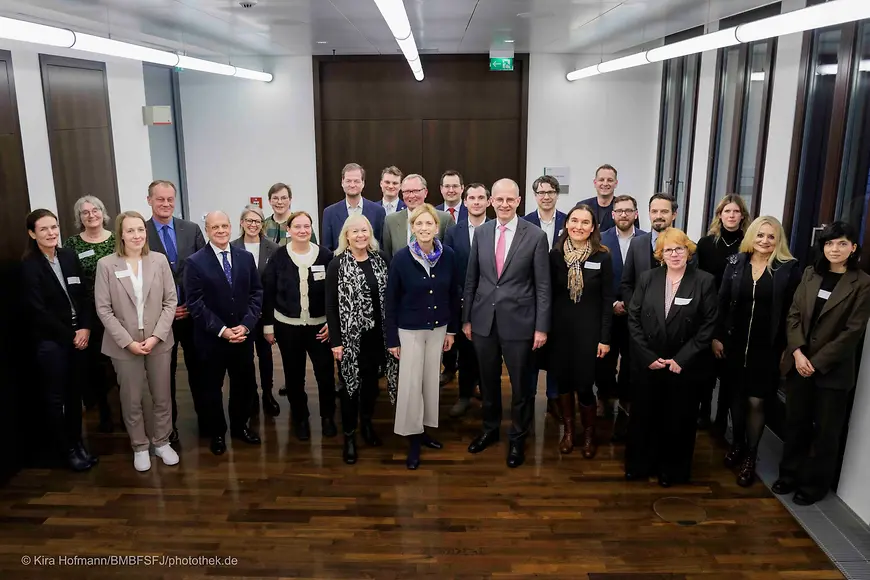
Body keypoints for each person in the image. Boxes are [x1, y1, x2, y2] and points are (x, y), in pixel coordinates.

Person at [773, 222, 870, 505]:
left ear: (853, 248)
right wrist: (799, 353)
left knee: (826, 432)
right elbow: (793, 315)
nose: (835, 249)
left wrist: (815, 361)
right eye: (829, 244)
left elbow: (853, 331)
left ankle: (813, 486)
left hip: (832, 371)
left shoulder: (862, 283)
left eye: (841, 243)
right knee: (796, 423)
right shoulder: (810, 274)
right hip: (799, 363)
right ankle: (788, 475)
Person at [463, 178, 551, 468]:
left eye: (509, 200)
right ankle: (489, 430)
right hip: (484, 322)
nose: (503, 204)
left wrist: (541, 327)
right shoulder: (483, 232)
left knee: (521, 387)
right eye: (498, 199)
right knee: (487, 382)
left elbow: (542, 286)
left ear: (518, 201)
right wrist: (467, 319)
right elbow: (472, 279)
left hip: (521, 323)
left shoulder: (536, 236)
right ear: (491, 201)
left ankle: (517, 438)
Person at [625, 228, 717, 487]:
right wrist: (647, 356)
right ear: (660, 254)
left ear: (688, 251)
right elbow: (634, 318)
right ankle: (640, 465)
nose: (674, 254)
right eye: (668, 249)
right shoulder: (647, 278)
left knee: (678, 419)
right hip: (649, 362)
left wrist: (682, 359)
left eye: (680, 248)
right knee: (644, 415)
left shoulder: (704, 281)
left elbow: (708, 325)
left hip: (683, 365)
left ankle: (672, 470)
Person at [716, 216, 801, 487]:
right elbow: (721, 302)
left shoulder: (788, 270)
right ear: (751, 236)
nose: (765, 241)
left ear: (779, 241)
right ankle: (738, 443)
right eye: (760, 235)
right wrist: (717, 337)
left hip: (767, 347)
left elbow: (793, 313)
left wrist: (788, 348)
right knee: (736, 399)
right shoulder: (735, 263)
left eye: (771, 237)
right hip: (734, 343)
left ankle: (751, 455)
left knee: (757, 401)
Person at [94, 211, 179, 472]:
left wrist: (156, 336)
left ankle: (162, 442)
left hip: (158, 341)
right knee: (131, 399)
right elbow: (103, 309)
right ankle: (140, 446)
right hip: (124, 344)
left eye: (140, 230)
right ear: (120, 234)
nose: (137, 235)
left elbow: (170, 301)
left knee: (162, 396)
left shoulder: (159, 261)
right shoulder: (107, 265)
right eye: (130, 230)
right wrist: (128, 342)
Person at [22, 209, 98, 472]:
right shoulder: (30, 266)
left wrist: (86, 328)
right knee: (57, 399)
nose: (51, 233)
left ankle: (78, 444)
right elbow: (38, 312)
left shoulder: (68, 255)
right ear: (32, 234)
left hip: (79, 335)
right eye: (43, 229)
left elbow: (83, 296)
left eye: (54, 227)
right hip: (52, 342)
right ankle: (66, 449)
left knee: (75, 394)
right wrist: (71, 336)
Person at [386, 204, 461, 469]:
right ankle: (413, 440)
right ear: (412, 227)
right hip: (410, 330)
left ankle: (425, 431)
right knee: (411, 385)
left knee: (430, 382)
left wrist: (452, 329)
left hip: (439, 328)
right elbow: (391, 301)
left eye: (429, 224)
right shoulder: (401, 258)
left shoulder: (449, 255)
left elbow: (454, 294)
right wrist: (392, 339)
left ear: (436, 227)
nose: (424, 228)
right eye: (419, 224)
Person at [184, 211, 263, 456]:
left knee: (243, 385)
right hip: (211, 340)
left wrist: (247, 325)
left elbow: (256, 293)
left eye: (224, 226)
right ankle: (218, 433)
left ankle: (240, 427)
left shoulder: (245, 257)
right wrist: (222, 330)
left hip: (242, 336)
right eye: (215, 227)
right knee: (211, 388)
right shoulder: (195, 262)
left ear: (231, 227)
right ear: (206, 230)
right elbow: (195, 303)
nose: (220, 230)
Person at [326, 214, 398, 464]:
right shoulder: (337, 264)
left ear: (370, 233)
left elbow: (390, 298)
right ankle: (349, 437)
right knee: (349, 388)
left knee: (369, 386)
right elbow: (331, 307)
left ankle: (367, 425)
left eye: (364, 230)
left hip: (377, 337)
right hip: (350, 340)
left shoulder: (381, 260)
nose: (360, 235)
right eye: (355, 231)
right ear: (346, 235)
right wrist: (336, 342)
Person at [262, 211, 338, 441]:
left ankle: (327, 417)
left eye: (307, 226)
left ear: (312, 229)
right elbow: (269, 292)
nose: (303, 230)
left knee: (325, 375)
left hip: (319, 328)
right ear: (289, 230)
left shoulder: (326, 256)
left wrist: (333, 326)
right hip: (288, 327)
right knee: (294, 376)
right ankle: (301, 417)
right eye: (297, 226)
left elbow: (334, 295)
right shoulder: (278, 257)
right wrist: (268, 325)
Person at [549, 204, 613, 458]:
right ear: (566, 224)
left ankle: (588, 435)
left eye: (585, 222)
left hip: (590, 334)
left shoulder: (602, 257)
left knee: (585, 386)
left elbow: (608, 301)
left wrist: (605, 338)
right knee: (563, 384)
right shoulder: (554, 255)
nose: (578, 226)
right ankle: (568, 432)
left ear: (593, 228)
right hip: (560, 332)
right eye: (574, 221)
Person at [145, 180, 207, 443]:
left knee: (199, 370)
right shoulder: (140, 232)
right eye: (160, 199)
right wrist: (166, 309)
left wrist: (192, 305)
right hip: (159, 319)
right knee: (163, 376)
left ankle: (206, 420)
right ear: (149, 200)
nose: (166, 204)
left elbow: (204, 269)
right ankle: (168, 428)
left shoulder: (190, 229)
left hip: (191, 316)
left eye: (170, 199)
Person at [618, 193, 678, 438]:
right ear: (647, 214)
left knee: (665, 382)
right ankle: (629, 422)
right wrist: (636, 313)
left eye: (664, 211)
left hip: (672, 327)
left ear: (674, 214)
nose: (659, 216)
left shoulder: (684, 245)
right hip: (640, 327)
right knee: (635, 374)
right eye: (654, 211)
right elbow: (626, 283)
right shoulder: (638, 244)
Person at [63, 195, 118, 433]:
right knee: (97, 366)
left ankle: (124, 411)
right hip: (89, 313)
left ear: (102, 212)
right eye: (85, 212)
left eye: (95, 210)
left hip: (118, 311)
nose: (91, 215)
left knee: (120, 364)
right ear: (79, 218)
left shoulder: (117, 240)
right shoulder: (71, 245)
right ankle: (104, 412)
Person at [695, 194, 749, 432]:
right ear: (719, 215)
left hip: (735, 315)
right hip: (707, 311)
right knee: (705, 371)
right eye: (727, 211)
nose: (731, 215)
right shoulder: (706, 243)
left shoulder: (749, 244)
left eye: (736, 212)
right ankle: (704, 413)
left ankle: (722, 419)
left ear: (742, 216)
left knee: (728, 372)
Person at [599, 195, 646, 439]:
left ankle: (626, 401)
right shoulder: (602, 239)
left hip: (636, 313)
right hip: (607, 309)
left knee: (631, 359)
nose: (624, 215)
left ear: (636, 214)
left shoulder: (647, 240)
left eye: (629, 210)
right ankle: (604, 397)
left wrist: (629, 304)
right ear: (613, 214)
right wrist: (613, 303)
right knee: (605, 359)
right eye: (619, 211)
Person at [522, 175, 567, 421]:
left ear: (557, 194)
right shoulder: (525, 222)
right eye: (541, 192)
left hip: (560, 294)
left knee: (555, 350)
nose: (546, 196)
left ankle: (554, 397)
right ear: (535, 195)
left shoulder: (568, 221)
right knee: (532, 349)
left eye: (550, 192)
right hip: (530, 294)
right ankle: (528, 397)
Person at [443, 183, 490, 417]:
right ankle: (464, 395)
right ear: (465, 201)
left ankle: (485, 389)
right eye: (472, 197)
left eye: (481, 197)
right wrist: (461, 296)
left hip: (491, 303)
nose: (477, 202)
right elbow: (449, 267)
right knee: (466, 350)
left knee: (488, 350)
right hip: (462, 301)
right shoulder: (454, 231)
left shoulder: (496, 229)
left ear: (488, 202)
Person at [231, 205, 281, 417]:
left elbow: (276, 283)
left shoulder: (273, 248)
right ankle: (250, 394)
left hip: (266, 312)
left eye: (257, 221)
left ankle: (268, 393)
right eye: (249, 220)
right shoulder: (232, 247)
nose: (253, 225)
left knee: (265, 354)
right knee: (245, 356)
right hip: (241, 314)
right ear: (242, 223)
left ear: (263, 224)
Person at [382, 174, 455, 259]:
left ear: (425, 192)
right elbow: (388, 257)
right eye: (407, 191)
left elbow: (449, 257)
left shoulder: (445, 219)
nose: (412, 196)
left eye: (416, 191)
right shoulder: (391, 221)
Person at [321, 163, 386, 251]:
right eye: (348, 181)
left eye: (356, 181)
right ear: (342, 183)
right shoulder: (329, 213)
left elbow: (381, 246)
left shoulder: (378, 211)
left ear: (363, 183)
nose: (352, 185)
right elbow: (327, 248)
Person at [262, 182, 318, 246]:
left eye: (284, 198)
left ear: (290, 200)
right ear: (269, 201)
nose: (279, 202)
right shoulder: (264, 225)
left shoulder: (301, 222)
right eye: (275, 198)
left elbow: (314, 248)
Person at [580, 164, 619, 232]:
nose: (605, 183)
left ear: (616, 183)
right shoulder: (582, 206)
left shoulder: (624, 208)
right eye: (601, 180)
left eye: (610, 180)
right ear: (595, 183)